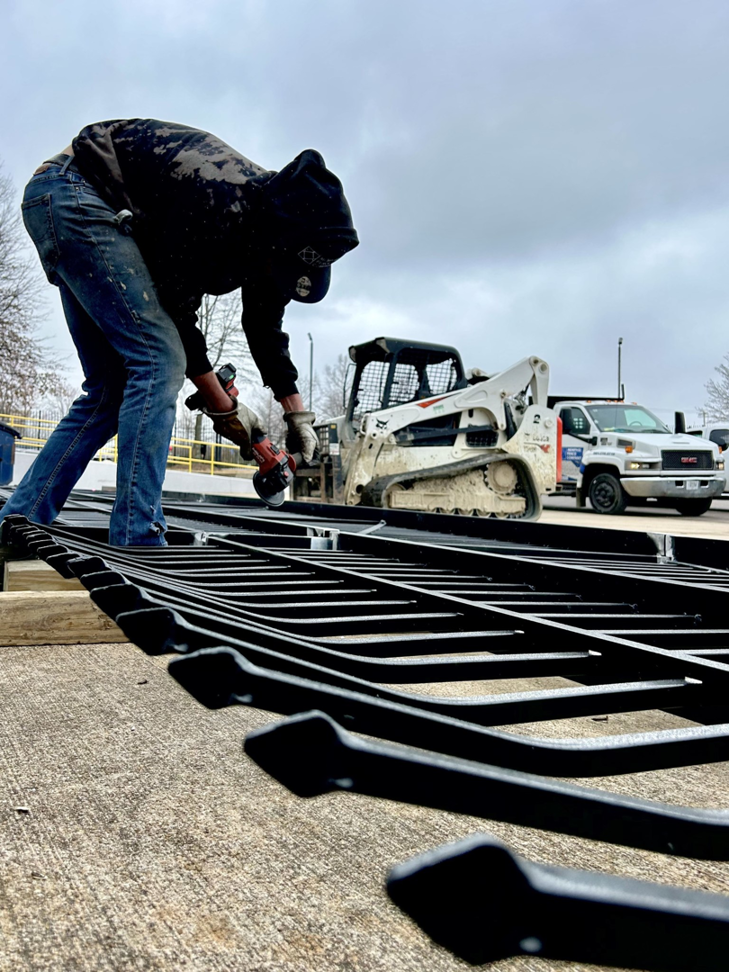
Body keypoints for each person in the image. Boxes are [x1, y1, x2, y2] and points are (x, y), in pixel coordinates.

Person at [0, 119, 358, 545]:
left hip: (72, 200)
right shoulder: (220, 202)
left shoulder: (274, 233)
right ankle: (139, 538)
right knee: (158, 360)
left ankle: (20, 523)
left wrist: (296, 412)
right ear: (281, 243)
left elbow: (264, 325)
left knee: (110, 391)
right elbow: (177, 318)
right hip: (76, 194)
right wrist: (224, 406)